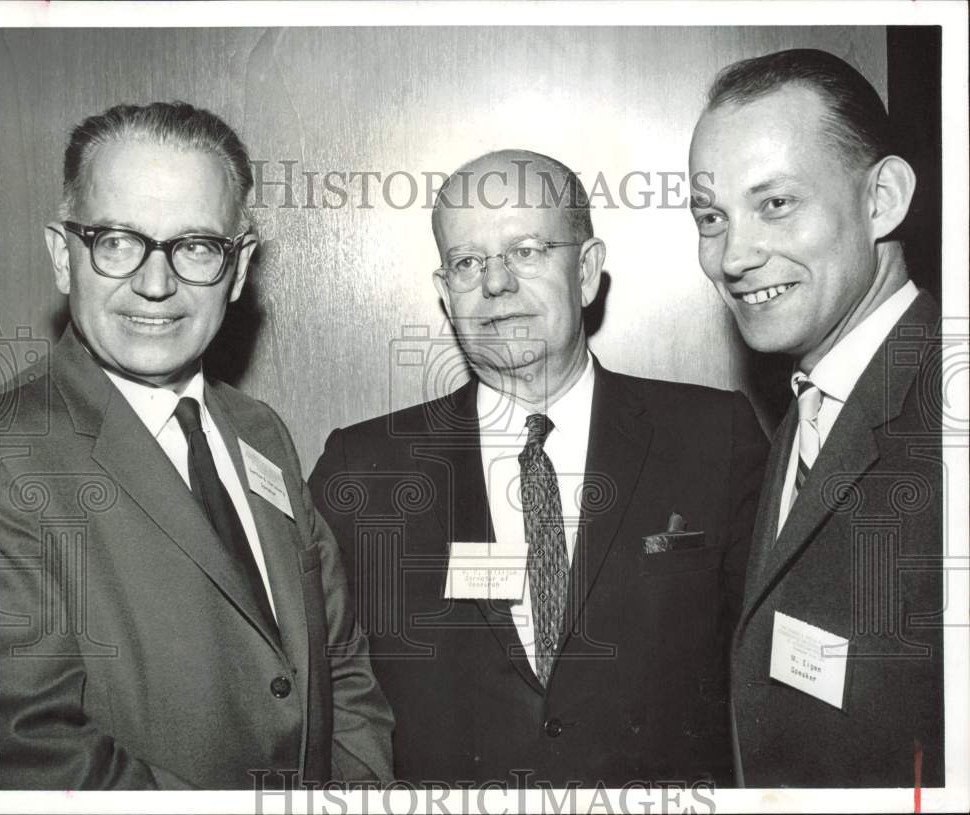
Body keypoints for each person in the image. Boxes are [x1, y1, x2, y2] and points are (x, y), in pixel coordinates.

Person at [308, 149, 769, 787]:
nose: (495, 284)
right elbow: (318, 692)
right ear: (446, 294)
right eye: (468, 262)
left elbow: (765, 684)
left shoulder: (715, 438)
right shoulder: (362, 470)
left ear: (585, 271)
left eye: (526, 251)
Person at [0, 101, 393, 789]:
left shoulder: (259, 431)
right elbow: (35, 747)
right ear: (65, 256)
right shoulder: (1, 458)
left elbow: (339, 664)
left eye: (196, 246)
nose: (156, 283)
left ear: (238, 269)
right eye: (117, 240)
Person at [689, 49, 944, 787]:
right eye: (713, 217)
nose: (733, 256)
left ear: (884, 198)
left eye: (775, 204)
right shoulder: (809, 404)